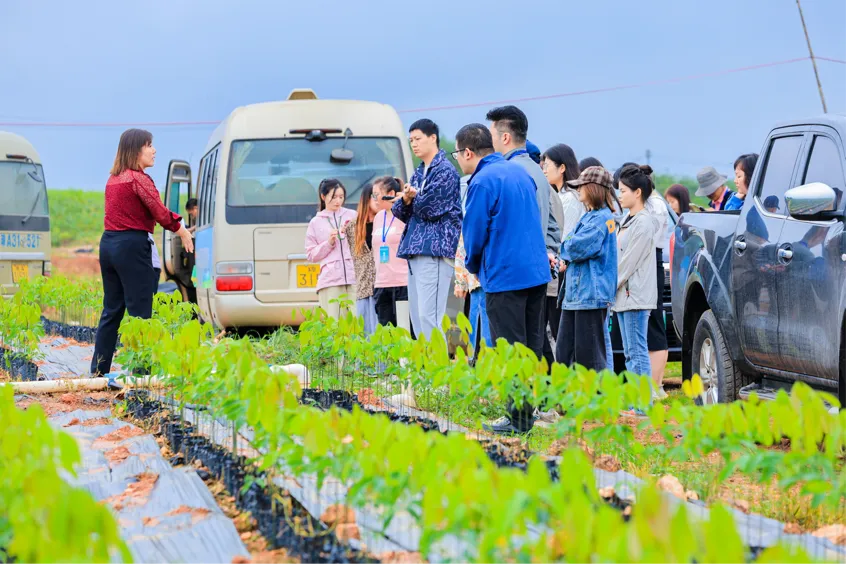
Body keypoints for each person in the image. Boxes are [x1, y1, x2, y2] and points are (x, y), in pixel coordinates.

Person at [455, 123, 550, 434]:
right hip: (535, 273)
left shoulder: (481, 181)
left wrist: (472, 265)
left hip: (505, 275)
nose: (458, 159)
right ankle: (529, 413)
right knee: (531, 347)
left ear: (468, 152)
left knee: (509, 349)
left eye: (458, 153)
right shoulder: (521, 172)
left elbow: (474, 233)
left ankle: (518, 419)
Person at [91, 129, 194, 378]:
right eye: (149, 145)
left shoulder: (113, 179)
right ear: (136, 150)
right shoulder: (138, 178)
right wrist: (182, 230)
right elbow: (159, 212)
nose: (154, 150)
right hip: (132, 246)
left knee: (112, 310)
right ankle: (141, 372)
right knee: (141, 312)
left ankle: (97, 371)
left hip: (109, 245)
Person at [392, 119, 462, 340]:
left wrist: (411, 199)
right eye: (411, 140)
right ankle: (425, 370)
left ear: (433, 138)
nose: (414, 144)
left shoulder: (445, 171)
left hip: (435, 251)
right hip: (416, 251)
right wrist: (407, 199)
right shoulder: (420, 171)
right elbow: (399, 210)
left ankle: (437, 371)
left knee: (430, 317)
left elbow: (428, 208)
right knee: (418, 319)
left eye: (418, 139)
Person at [556, 166, 618, 374]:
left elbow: (573, 247)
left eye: (581, 186)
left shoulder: (602, 219)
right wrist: (567, 245)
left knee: (589, 357)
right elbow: (570, 244)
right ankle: (572, 401)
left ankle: (596, 403)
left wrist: (566, 246)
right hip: (576, 297)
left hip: (590, 297)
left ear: (593, 188)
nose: (578, 190)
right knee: (565, 353)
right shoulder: (589, 217)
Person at [614, 165, 659, 388]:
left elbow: (628, 262)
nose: (619, 195)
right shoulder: (626, 219)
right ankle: (636, 402)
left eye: (623, 190)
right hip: (624, 295)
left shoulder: (643, 221)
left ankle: (643, 404)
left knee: (636, 351)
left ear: (637, 192)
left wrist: (609, 284)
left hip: (635, 296)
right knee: (629, 352)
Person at [541, 144, 584, 363]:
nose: (544, 169)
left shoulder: (569, 199)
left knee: (559, 330)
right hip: (558, 268)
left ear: (562, 168)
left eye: (547, 165)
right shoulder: (561, 196)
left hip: (563, 271)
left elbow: (564, 238)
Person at [305, 179, 357, 320]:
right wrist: (328, 243)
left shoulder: (352, 216)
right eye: (333, 197)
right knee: (335, 325)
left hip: (354, 277)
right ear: (323, 197)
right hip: (330, 280)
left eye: (341, 197)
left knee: (358, 323)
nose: (338, 201)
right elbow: (311, 255)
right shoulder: (316, 222)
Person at [454, 175, 491, 358]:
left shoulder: (476, 210)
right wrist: (461, 281)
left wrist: (461, 280)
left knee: (481, 323)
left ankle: (480, 363)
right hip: (478, 278)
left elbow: (464, 246)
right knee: (478, 322)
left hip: (479, 277)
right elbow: (463, 246)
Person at [371, 176, 409, 328]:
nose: (374, 199)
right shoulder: (378, 217)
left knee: (405, 330)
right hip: (381, 283)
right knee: (385, 333)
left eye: (376, 194)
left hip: (402, 282)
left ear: (391, 193)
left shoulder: (404, 214)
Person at [342, 183, 378, 335]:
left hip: (382, 286)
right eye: (374, 196)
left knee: (380, 333)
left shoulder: (386, 223)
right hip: (363, 287)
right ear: (366, 199)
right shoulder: (352, 227)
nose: (378, 200)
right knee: (364, 333)